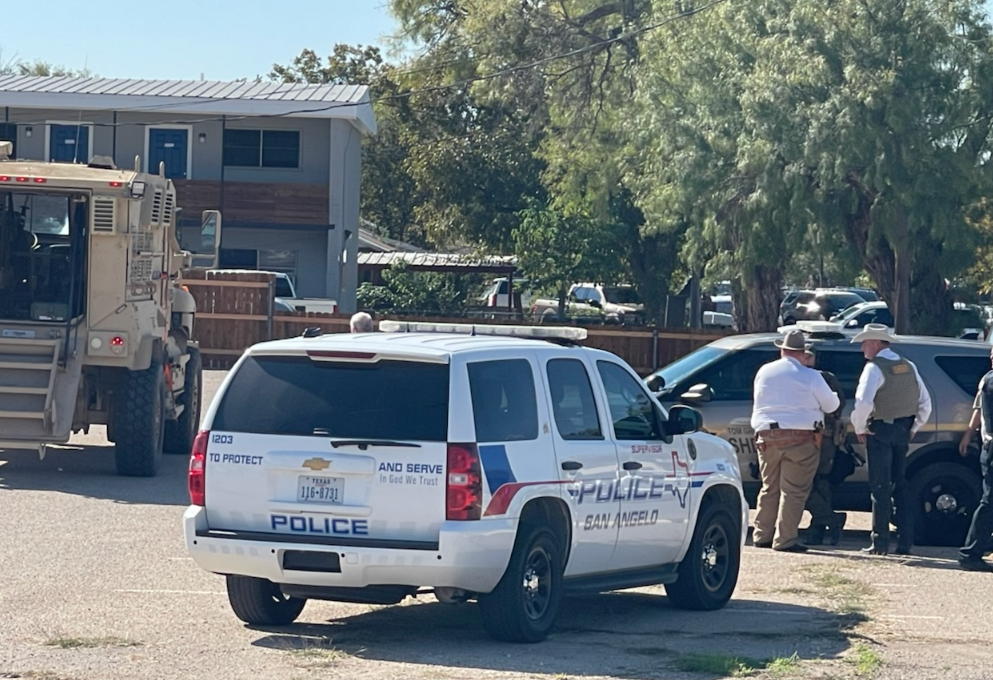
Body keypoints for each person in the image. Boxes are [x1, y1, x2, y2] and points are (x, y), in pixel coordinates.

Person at [751, 330, 841, 553]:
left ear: (782, 350)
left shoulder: (764, 371)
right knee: (793, 491)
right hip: (802, 439)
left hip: (766, 437)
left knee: (769, 487)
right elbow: (831, 406)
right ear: (802, 353)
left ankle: (762, 535)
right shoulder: (811, 376)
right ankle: (785, 539)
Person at [850, 324, 932, 556]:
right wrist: (913, 428)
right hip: (903, 429)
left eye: (865, 343)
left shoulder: (874, 368)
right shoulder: (909, 366)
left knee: (880, 487)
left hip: (880, 430)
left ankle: (880, 543)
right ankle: (905, 541)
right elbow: (925, 403)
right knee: (901, 485)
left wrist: (860, 427)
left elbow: (863, 402)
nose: (863, 347)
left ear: (876, 343)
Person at [800, 349, 848, 546]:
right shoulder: (792, 376)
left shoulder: (826, 378)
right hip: (798, 437)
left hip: (823, 438)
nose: (806, 359)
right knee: (803, 483)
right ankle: (830, 520)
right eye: (803, 354)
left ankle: (818, 529)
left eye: (809, 355)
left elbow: (838, 406)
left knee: (820, 482)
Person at [956, 345, 993, 572]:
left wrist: (969, 433)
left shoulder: (986, 379)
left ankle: (978, 545)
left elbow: (978, 409)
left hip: (988, 446)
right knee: (989, 502)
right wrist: (969, 434)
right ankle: (970, 553)